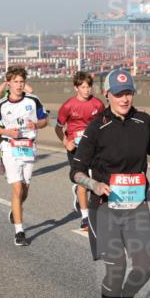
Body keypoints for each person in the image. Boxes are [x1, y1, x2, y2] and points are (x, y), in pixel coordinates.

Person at [70, 69, 150, 298]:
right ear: (107, 94)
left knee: (146, 264)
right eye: (119, 94)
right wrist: (94, 186)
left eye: (128, 93)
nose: (124, 99)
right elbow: (76, 171)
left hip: (136, 207)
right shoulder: (96, 127)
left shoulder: (144, 122)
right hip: (105, 208)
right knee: (116, 267)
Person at [0, 66, 49, 247]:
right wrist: (6, 131)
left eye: (22, 82)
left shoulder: (33, 100)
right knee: (17, 188)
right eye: (15, 82)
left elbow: (45, 120)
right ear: (8, 83)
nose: (19, 85)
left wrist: (36, 125)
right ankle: (19, 232)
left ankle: (15, 210)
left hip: (28, 147)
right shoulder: (1, 105)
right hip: (9, 146)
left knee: (25, 189)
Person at [55, 71, 105, 231]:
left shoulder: (98, 104)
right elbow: (58, 127)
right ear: (76, 88)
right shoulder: (68, 106)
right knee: (83, 181)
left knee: (97, 180)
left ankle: (81, 194)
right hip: (76, 149)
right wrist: (65, 141)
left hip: (93, 148)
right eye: (83, 87)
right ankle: (85, 218)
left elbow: (104, 125)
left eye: (89, 86)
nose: (87, 90)